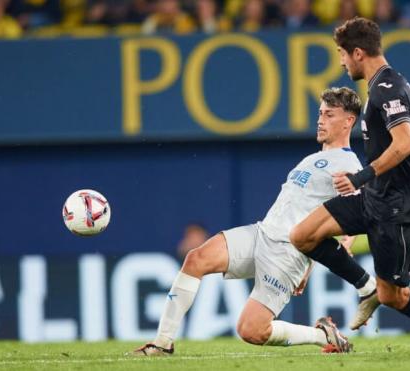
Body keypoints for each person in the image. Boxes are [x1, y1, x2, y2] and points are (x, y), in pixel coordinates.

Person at [289, 17, 410, 355]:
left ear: (357, 53)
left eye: (341, 54)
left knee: (393, 296)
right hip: (375, 198)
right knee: (303, 235)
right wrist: (387, 176)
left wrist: (363, 177)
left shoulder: (389, 89)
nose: (341, 62)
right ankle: (363, 287)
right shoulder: (391, 86)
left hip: (396, 208)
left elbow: (407, 142)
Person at [131, 87, 377, 356]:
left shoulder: (348, 164)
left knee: (251, 330)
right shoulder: (313, 158)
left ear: (348, 121)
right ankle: (162, 344)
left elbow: (354, 211)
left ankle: (322, 335)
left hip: (287, 252)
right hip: (262, 233)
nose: (320, 120)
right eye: (320, 113)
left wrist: (342, 242)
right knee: (196, 259)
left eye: (329, 114)